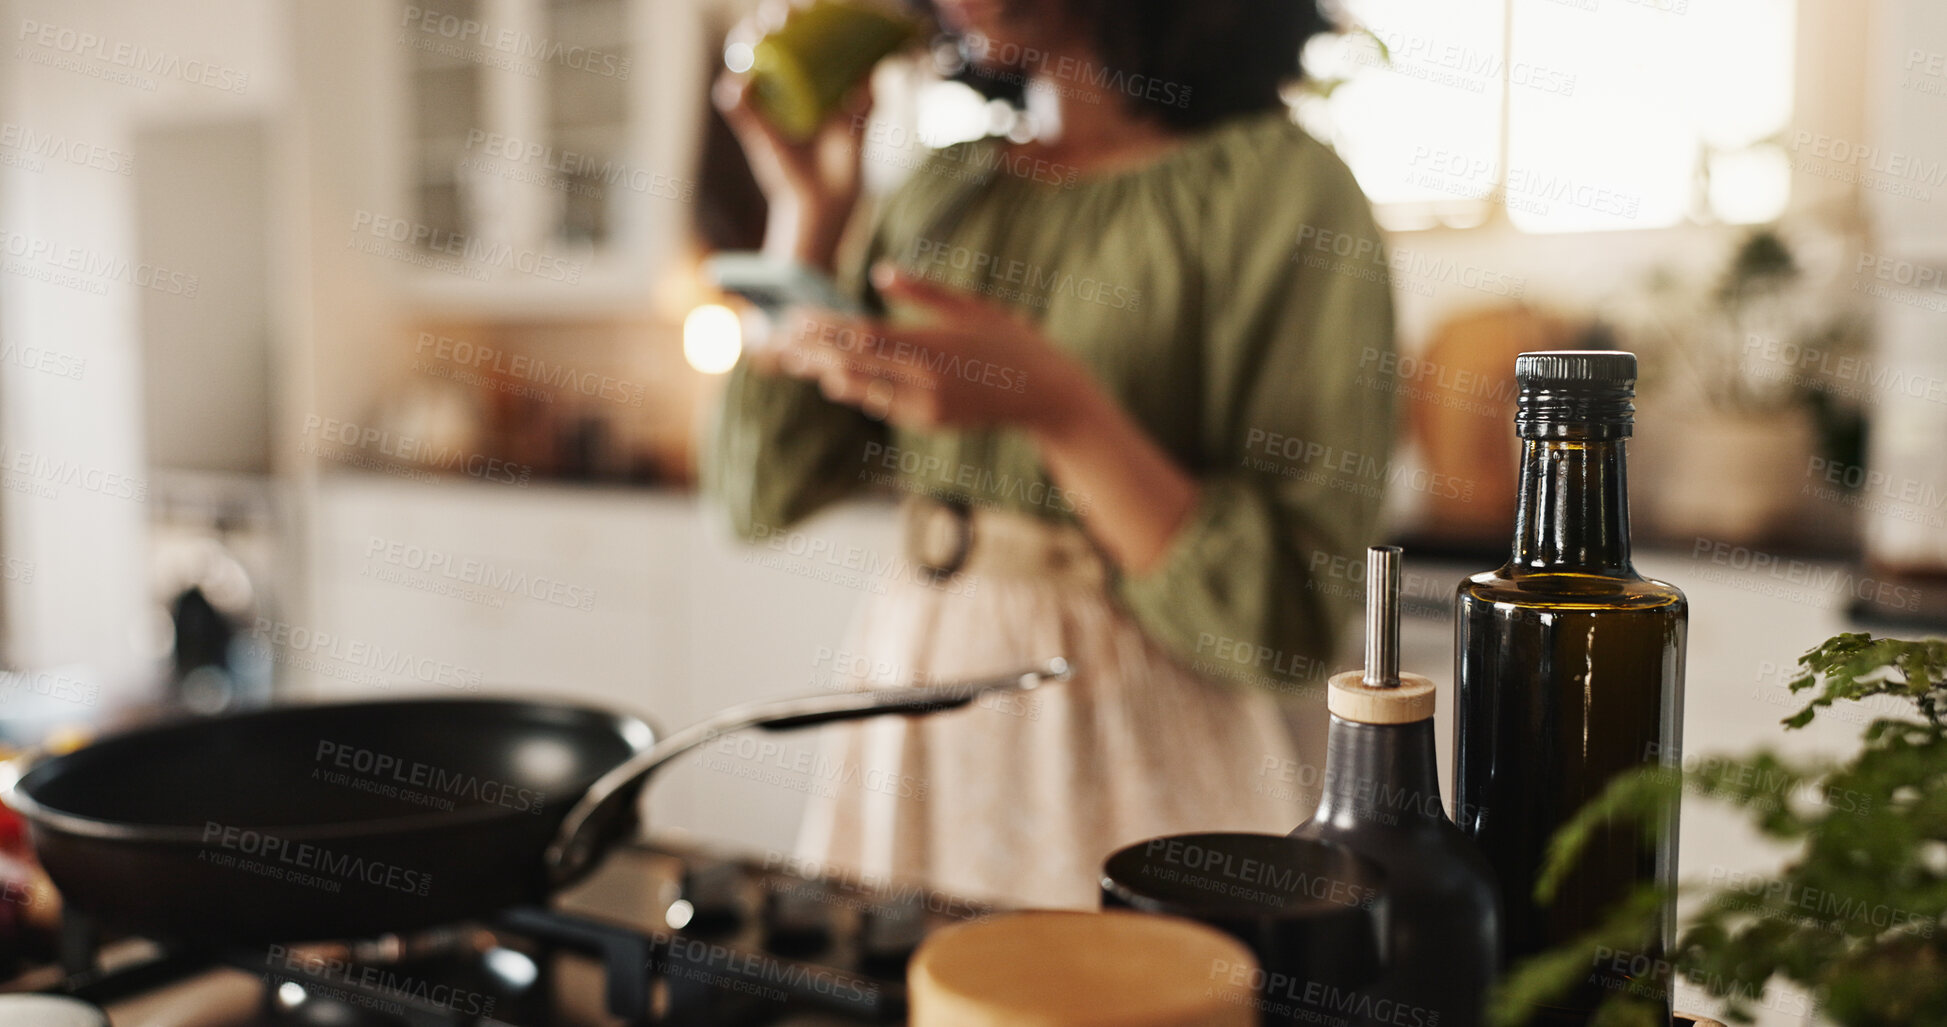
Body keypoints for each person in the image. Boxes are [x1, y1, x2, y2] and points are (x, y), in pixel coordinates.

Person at [705, 0, 1396, 908]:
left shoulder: (1285, 190)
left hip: (1131, 742)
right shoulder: (944, 188)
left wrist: (1060, 409)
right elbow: (759, 489)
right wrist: (806, 213)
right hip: (911, 705)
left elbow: (1284, 625)